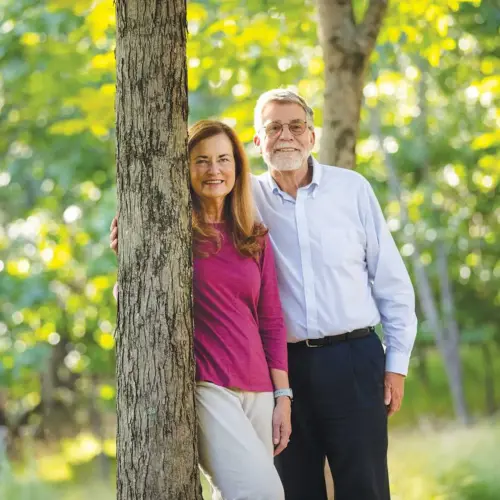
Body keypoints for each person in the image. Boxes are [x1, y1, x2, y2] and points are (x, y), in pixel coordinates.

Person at [250, 89, 418, 500]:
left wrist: (396, 365)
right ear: (258, 141)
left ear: (311, 136)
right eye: (273, 128)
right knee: (294, 487)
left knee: (366, 486)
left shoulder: (352, 189)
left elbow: (391, 282)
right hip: (280, 371)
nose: (285, 135)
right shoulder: (244, 198)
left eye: (296, 126)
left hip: (355, 361)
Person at [111, 120, 291, 500]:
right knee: (263, 494)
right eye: (201, 161)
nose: (214, 171)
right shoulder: (173, 234)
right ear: (185, 167)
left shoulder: (253, 235)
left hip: (258, 388)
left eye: (224, 159)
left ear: (237, 168)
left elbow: (272, 321)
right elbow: (136, 301)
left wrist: (283, 397)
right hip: (208, 385)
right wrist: (125, 257)